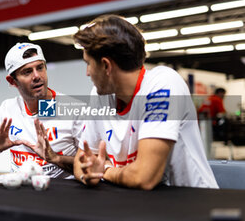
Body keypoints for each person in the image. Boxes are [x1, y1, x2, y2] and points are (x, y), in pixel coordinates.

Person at [72, 14, 218, 190]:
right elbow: (81, 161)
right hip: (139, 204)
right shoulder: (98, 95)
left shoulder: (163, 84)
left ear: (106, 66)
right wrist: (88, 173)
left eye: (88, 64)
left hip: (194, 205)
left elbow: (144, 177)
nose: (87, 73)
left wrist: (105, 170)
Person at [0, 42, 83, 178]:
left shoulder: (73, 109)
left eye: (40, 68)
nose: (37, 76)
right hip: (20, 196)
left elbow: (94, 166)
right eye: (27, 71)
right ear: (12, 81)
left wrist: (55, 158)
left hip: (62, 196)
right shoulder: (8, 109)